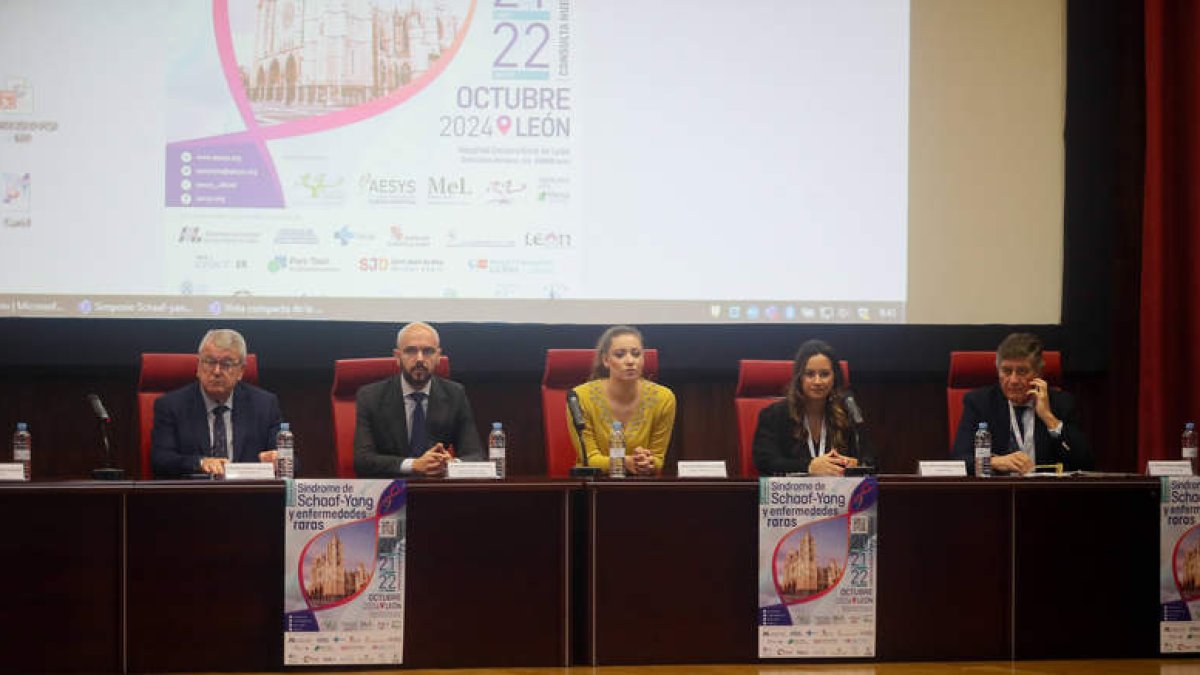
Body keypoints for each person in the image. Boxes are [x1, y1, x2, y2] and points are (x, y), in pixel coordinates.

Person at [354, 322, 483, 477]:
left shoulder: (455, 394)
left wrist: (451, 464)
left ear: (438, 357)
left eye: (428, 351)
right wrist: (413, 465)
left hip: (437, 490)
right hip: (391, 491)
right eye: (411, 351)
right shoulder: (370, 397)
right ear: (397, 356)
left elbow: (476, 455)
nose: (420, 359)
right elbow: (362, 460)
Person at [952, 332, 1093, 474]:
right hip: (997, 490)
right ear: (998, 371)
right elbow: (958, 460)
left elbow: (1084, 463)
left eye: (1022, 371)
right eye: (1006, 371)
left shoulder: (1061, 403)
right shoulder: (980, 403)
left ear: (1038, 373)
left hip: (1046, 491)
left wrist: (1048, 417)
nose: (1013, 380)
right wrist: (994, 462)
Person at [151, 329, 282, 478]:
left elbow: (292, 463)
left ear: (241, 371)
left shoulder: (265, 405)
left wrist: (278, 461)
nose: (217, 371)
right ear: (198, 367)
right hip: (194, 495)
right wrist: (200, 463)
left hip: (247, 495)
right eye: (210, 362)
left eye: (226, 364)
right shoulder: (171, 406)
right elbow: (160, 460)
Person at [752, 339, 873, 476]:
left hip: (836, 495)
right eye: (810, 374)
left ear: (834, 378)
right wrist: (808, 466)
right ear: (799, 378)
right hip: (792, 494)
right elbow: (765, 461)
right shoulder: (774, 415)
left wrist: (856, 465)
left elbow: (870, 461)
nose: (817, 381)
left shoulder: (848, 414)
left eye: (824, 374)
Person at [567, 326, 676, 475]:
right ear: (606, 360)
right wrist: (623, 462)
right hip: (594, 486)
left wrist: (647, 462)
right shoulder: (579, 397)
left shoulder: (664, 398)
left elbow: (658, 459)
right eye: (620, 355)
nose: (630, 361)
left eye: (636, 354)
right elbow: (589, 458)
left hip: (641, 486)